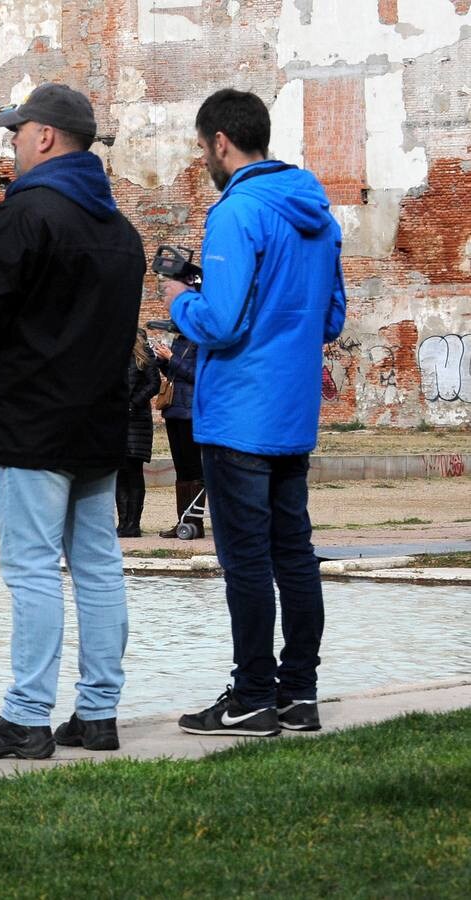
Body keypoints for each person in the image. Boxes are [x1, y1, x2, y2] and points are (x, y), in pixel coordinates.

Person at [0, 83, 145, 759]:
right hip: (96, 420)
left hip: (31, 420)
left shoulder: (25, 214)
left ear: (46, 137)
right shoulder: (118, 229)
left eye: (16, 132)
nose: (12, 143)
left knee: (30, 569)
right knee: (97, 565)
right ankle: (97, 713)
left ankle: (26, 715)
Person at [165, 88, 347, 737]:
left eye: (201, 148)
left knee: (244, 560)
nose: (203, 159)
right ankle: (298, 693)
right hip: (291, 414)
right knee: (293, 554)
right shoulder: (319, 217)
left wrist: (177, 302)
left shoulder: (235, 212)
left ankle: (250, 696)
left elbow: (218, 319)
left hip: (238, 412)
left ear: (219, 142)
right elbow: (330, 319)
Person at [153, 331, 203, 538]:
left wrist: (171, 358)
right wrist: (161, 360)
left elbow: (197, 375)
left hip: (190, 411)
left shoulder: (200, 340)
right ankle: (183, 520)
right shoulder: (179, 340)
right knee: (181, 469)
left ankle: (195, 522)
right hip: (173, 409)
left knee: (193, 469)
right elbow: (173, 374)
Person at [116, 329, 161, 538]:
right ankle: (122, 522)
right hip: (116, 420)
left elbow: (154, 384)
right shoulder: (113, 353)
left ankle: (133, 523)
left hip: (136, 421)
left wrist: (134, 404)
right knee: (118, 473)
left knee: (133, 471)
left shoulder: (144, 353)